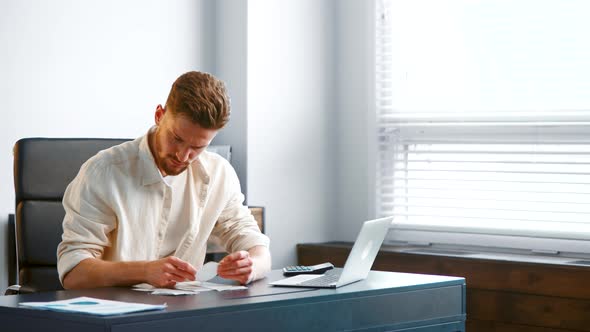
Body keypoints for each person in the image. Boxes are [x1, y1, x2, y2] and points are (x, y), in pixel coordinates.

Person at [57, 71, 271, 289]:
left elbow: (257, 248)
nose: (183, 155)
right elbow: (74, 274)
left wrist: (251, 265)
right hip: (114, 311)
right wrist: (144, 271)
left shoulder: (219, 174)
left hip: (183, 311)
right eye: (176, 139)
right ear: (159, 115)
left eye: (198, 147)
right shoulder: (103, 172)